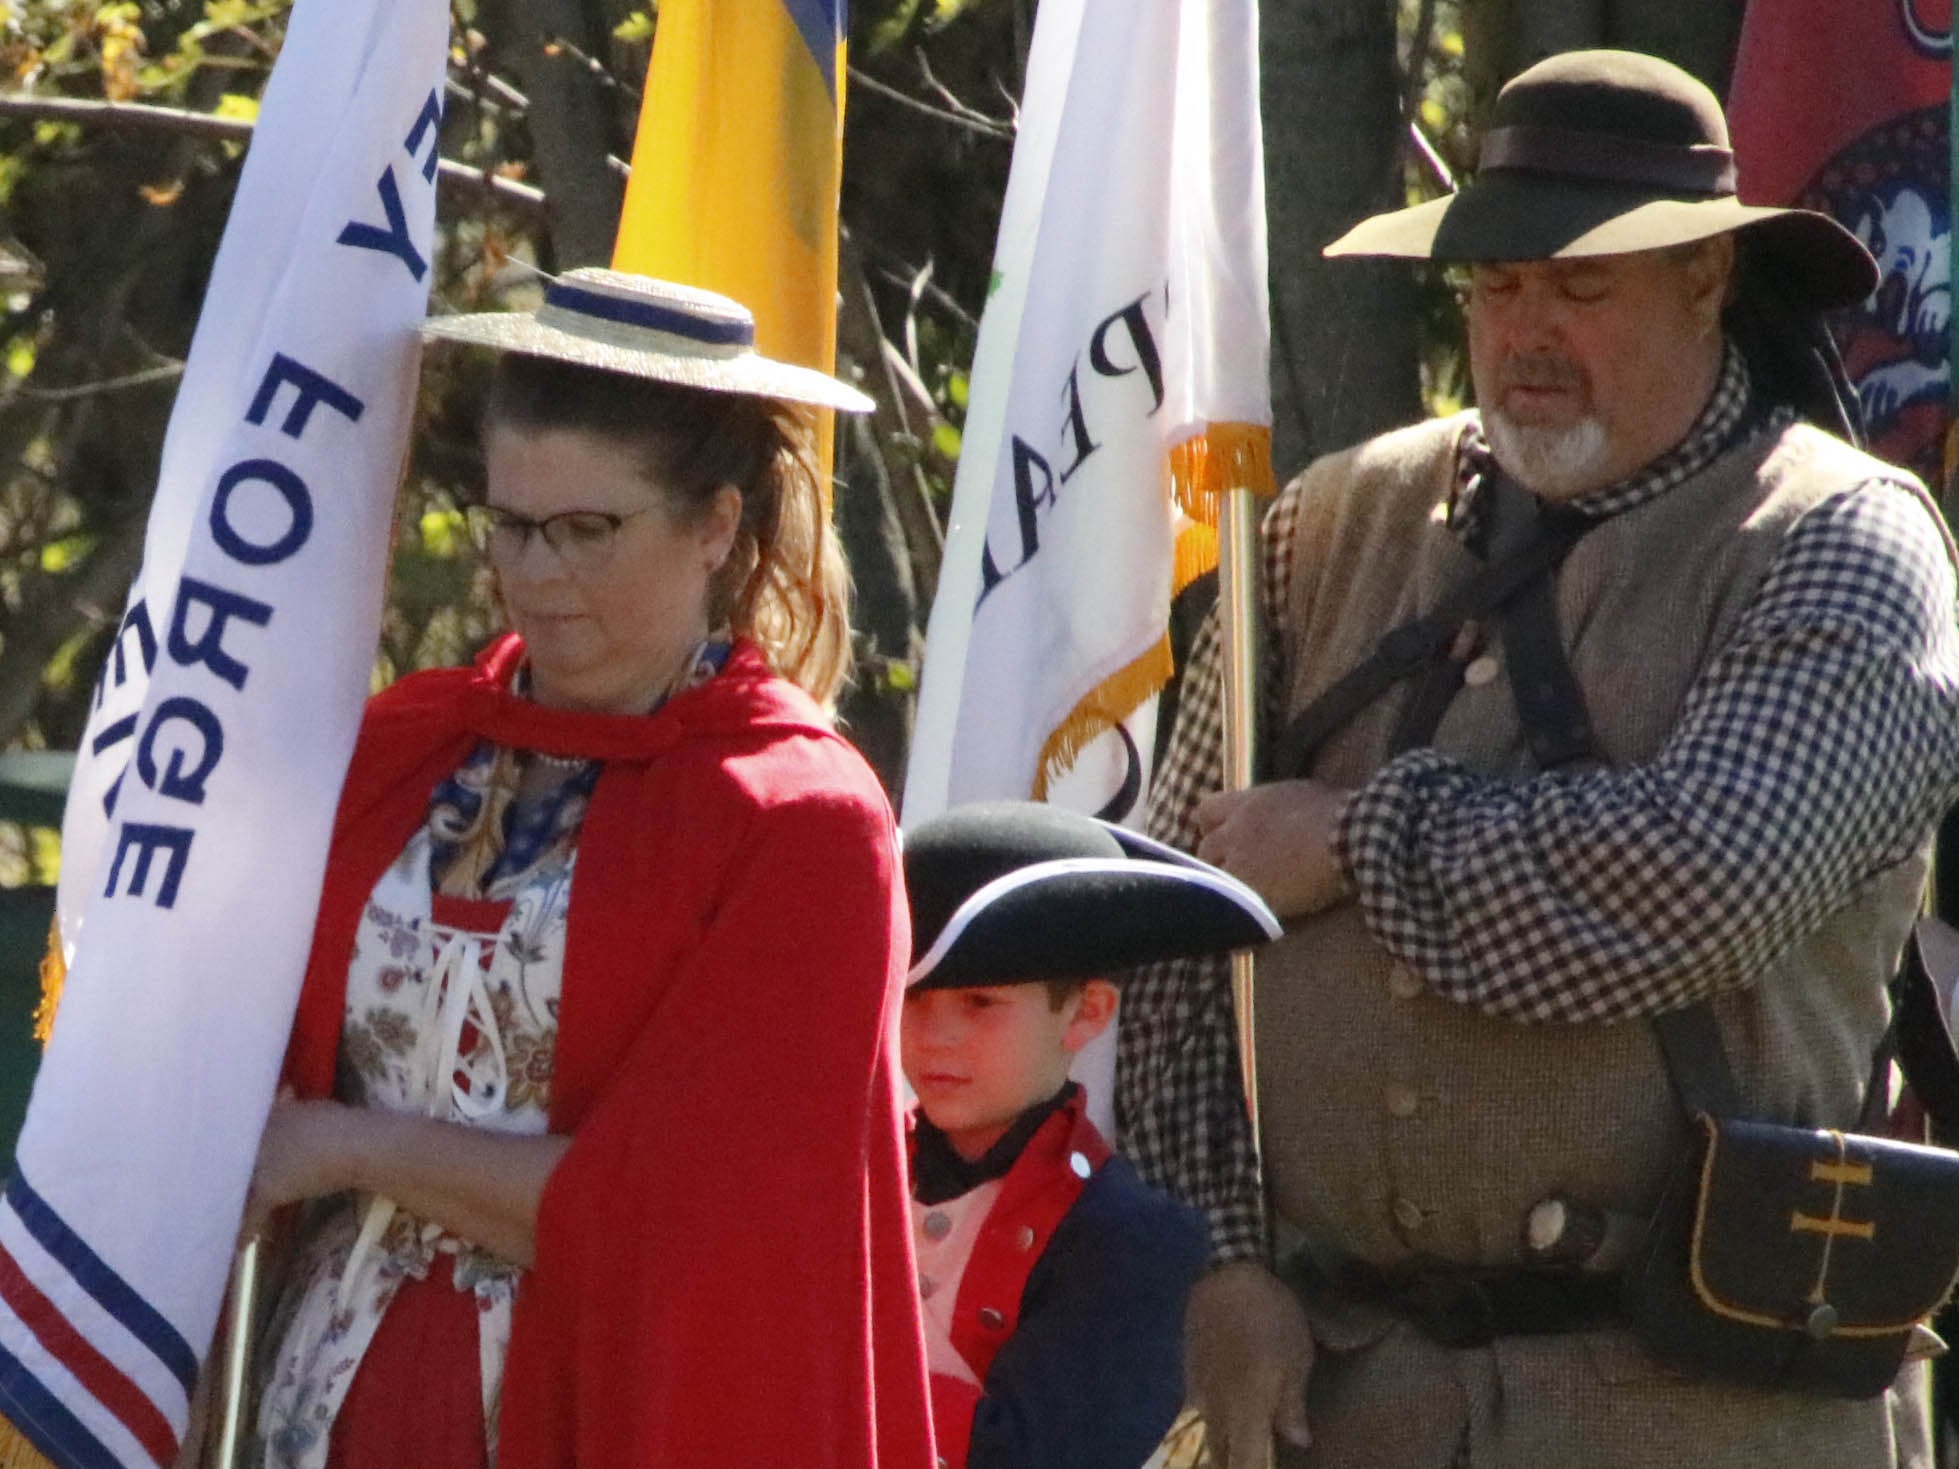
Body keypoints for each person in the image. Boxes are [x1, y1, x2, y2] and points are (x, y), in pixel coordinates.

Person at [1117, 49, 1959, 1469]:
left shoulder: (1843, 543)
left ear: (1704, 277)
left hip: (1711, 1407)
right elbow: (1164, 927)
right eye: (1498, 284)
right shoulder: (1327, 523)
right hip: (1352, 1410)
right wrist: (1219, 1257)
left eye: (1580, 287)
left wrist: (1351, 843)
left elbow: (1688, 890)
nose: (1526, 330)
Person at [243, 270, 935, 1468]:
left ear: (713, 525)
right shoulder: (400, 750)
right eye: (513, 524)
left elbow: (682, 1211)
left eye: (587, 530)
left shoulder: (800, 821)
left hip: (615, 1409)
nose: (539, 572)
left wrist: (348, 1147)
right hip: (319, 1405)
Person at [898, 801, 1277, 1469]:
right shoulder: (844, 1181)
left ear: (1087, 1013)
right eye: (913, 997)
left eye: (980, 1003)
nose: (936, 1035)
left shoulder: (1128, 1241)